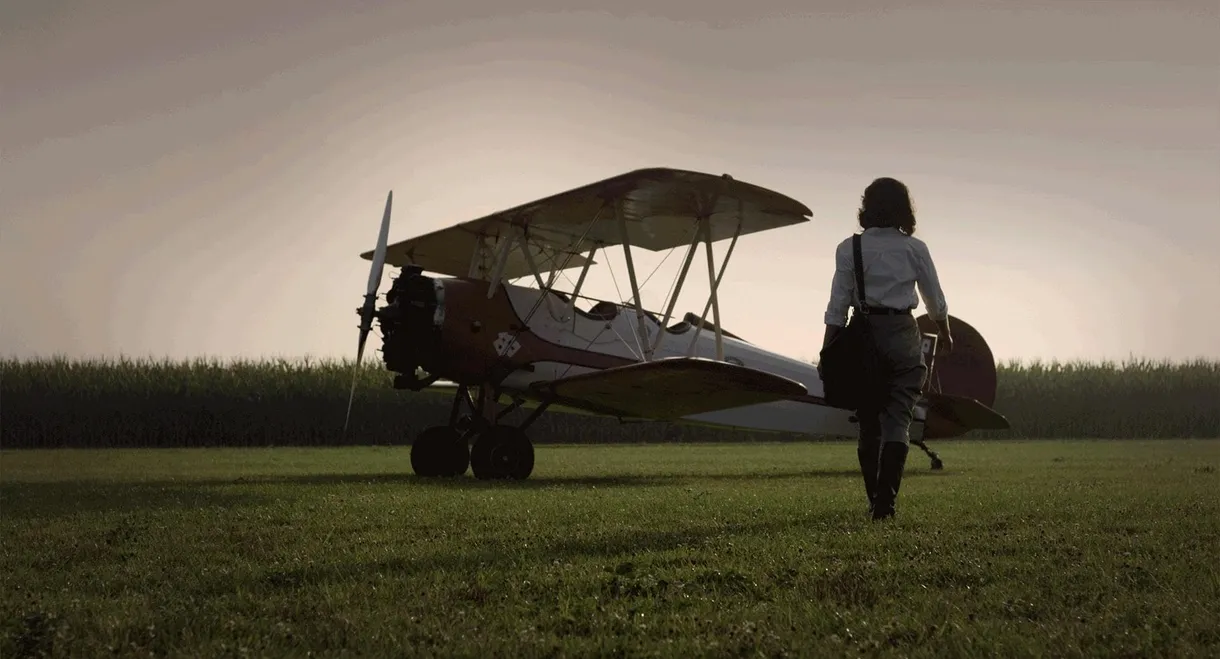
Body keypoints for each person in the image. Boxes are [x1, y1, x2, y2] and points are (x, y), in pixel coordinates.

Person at [822, 177, 953, 520]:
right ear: (904, 209)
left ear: (866, 207)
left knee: (868, 422)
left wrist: (828, 349)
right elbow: (934, 301)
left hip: (863, 335)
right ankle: (886, 504)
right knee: (898, 420)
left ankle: (873, 499)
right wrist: (946, 332)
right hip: (902, 335)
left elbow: (837, 306)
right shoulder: (915, 249)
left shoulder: (848, 248)